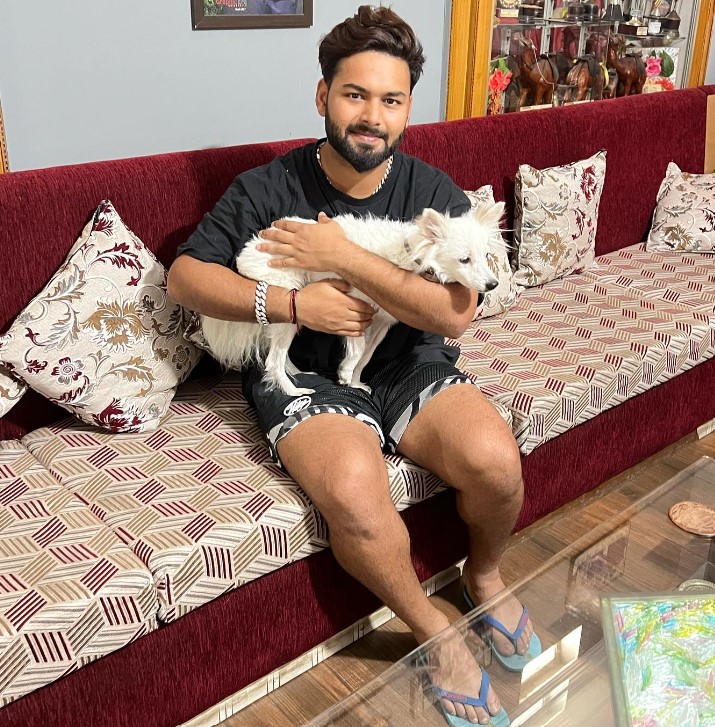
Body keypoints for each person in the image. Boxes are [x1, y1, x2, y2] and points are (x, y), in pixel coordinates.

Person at [168, 6, 539, 725]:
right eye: (355, 95)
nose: (372, 116)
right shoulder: (266, 187)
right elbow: (186, 277)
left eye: (390, 100)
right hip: (304, 372)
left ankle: (486, 574)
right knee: (354, 495)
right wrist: (292, 304)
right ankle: (433, 628)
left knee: (497, 462)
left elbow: (454, 313)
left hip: (408, 360)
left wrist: (343, 256)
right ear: (323, 96)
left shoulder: (432, 192)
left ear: (407, 110)